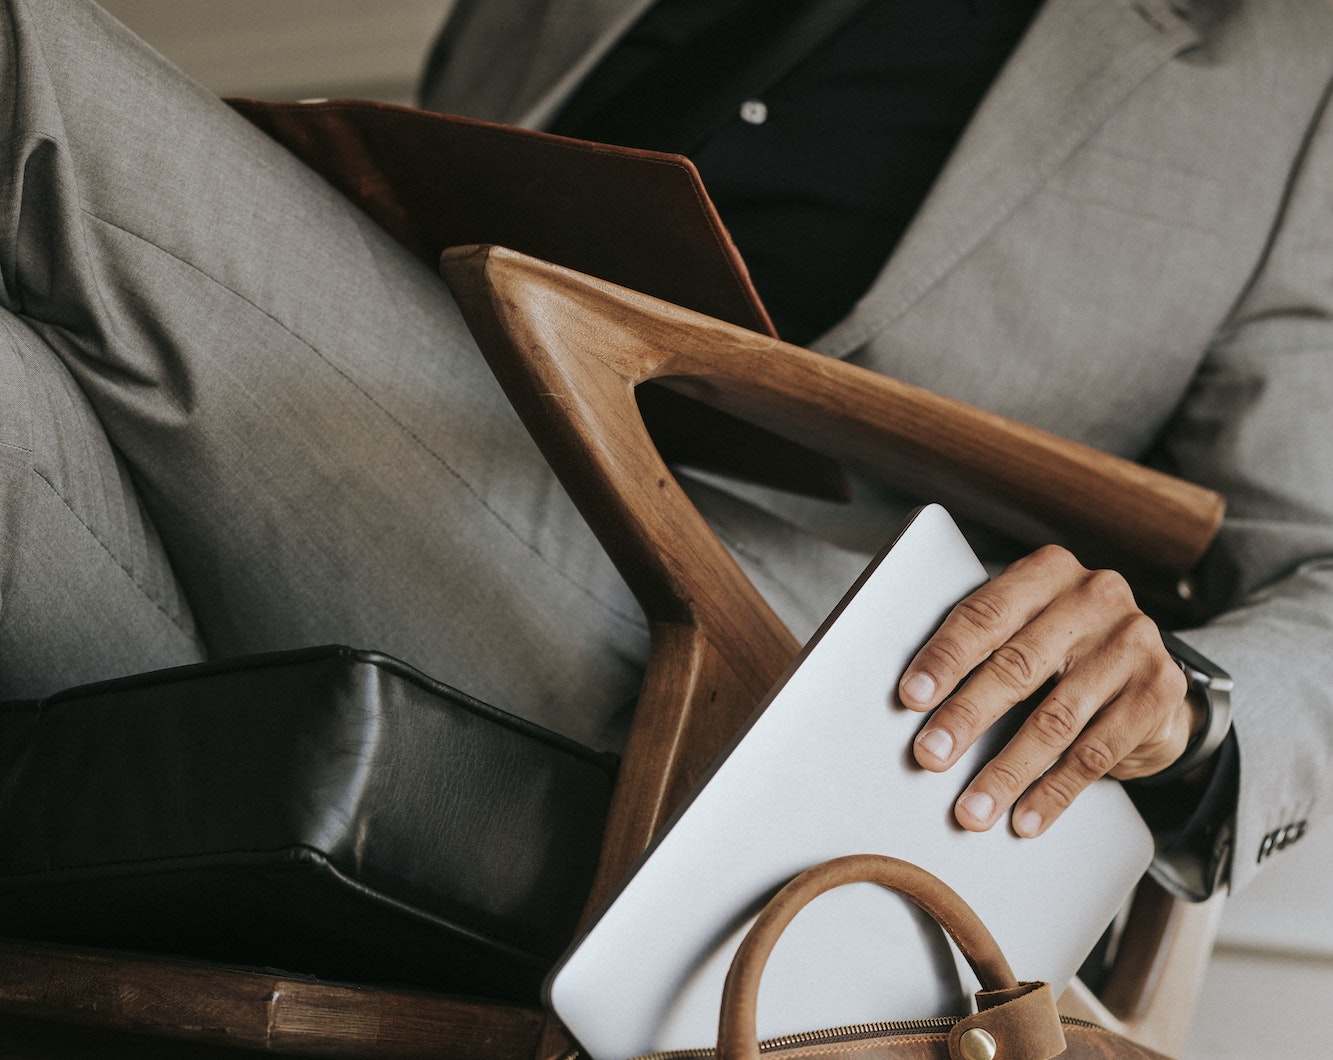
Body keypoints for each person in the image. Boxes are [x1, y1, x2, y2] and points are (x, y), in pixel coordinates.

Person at [1, 0, 1329, 902]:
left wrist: (1191, 710)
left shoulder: (1294, 63)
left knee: (32, 60)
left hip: (805, 682)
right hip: (391, 506)